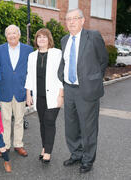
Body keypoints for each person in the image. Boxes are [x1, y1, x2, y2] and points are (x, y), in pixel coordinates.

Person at [58, 8, 108, 173]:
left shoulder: (93, 36)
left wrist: (93, 80)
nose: (71, 22)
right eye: (68, 19)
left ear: (82, 20)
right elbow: (64, 62)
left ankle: (88, 159)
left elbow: (103, 60)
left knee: (88, 128)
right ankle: (76, 154)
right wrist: (62, 78)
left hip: (87, 90)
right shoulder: (64, 40)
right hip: (70, 89)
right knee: (71, 127)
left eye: (75, 18)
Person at [25, 28, 64, 163]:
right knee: (42, 123)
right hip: (39, 95)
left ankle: (48, 151)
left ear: (49, 39)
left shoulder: (57, 53)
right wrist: (28, 94)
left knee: (49, 121)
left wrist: (61, 95)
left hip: (54, 95)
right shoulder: (32, 56)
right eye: (39, 37)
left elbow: (61, 75)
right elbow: (29, 75)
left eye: (44, 37)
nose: (41, 39)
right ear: (36, 40)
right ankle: (44, 147)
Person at [0, 25, 33, 157]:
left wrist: (29, 92)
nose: (12, 35)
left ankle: (18, 144)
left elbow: (30, 72)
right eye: (9, 33)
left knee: (19, 120)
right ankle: (4, 146)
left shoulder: (28, 50)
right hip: (4, 90)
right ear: (6, 36)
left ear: (19, 35)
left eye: (14, 33)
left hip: (20, 90)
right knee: (4, 120)